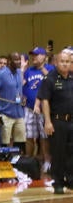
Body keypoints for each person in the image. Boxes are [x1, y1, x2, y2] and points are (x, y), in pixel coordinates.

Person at [37, 48, 73, 194]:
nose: (65, 64)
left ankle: (70, 180)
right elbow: (45, 101)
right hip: (58, 122)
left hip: (72, 121)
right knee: (58, 153)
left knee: (71, 152)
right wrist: (47, 122)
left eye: (68, 62)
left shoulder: (72, 77)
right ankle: (58, 182)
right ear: (57, 62)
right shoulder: (50, 78)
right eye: (63, 61)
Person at [23, 47, 54, 171]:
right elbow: (23, 84)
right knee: (29, 136)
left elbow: (51, 81)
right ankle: (29, 160)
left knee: (44, 136)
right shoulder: (28, 71)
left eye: (36, 55)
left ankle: (47, 161)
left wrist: (42, 68)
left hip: (43, 109)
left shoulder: (50, 69)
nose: (33, 57)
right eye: (32, 55)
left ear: (44, 56)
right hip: (29, 108)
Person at [0, 52, 26, 149]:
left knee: (20, 142)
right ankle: (5, 162)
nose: (18, 62)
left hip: (19, 113)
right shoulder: (1, 74)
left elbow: (18, 90)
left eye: (19, 60)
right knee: (5, 143)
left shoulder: (19, 73)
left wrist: (22, 98)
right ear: (9, 61)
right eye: (15, 60)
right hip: (5, 113)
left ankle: (17, 162)